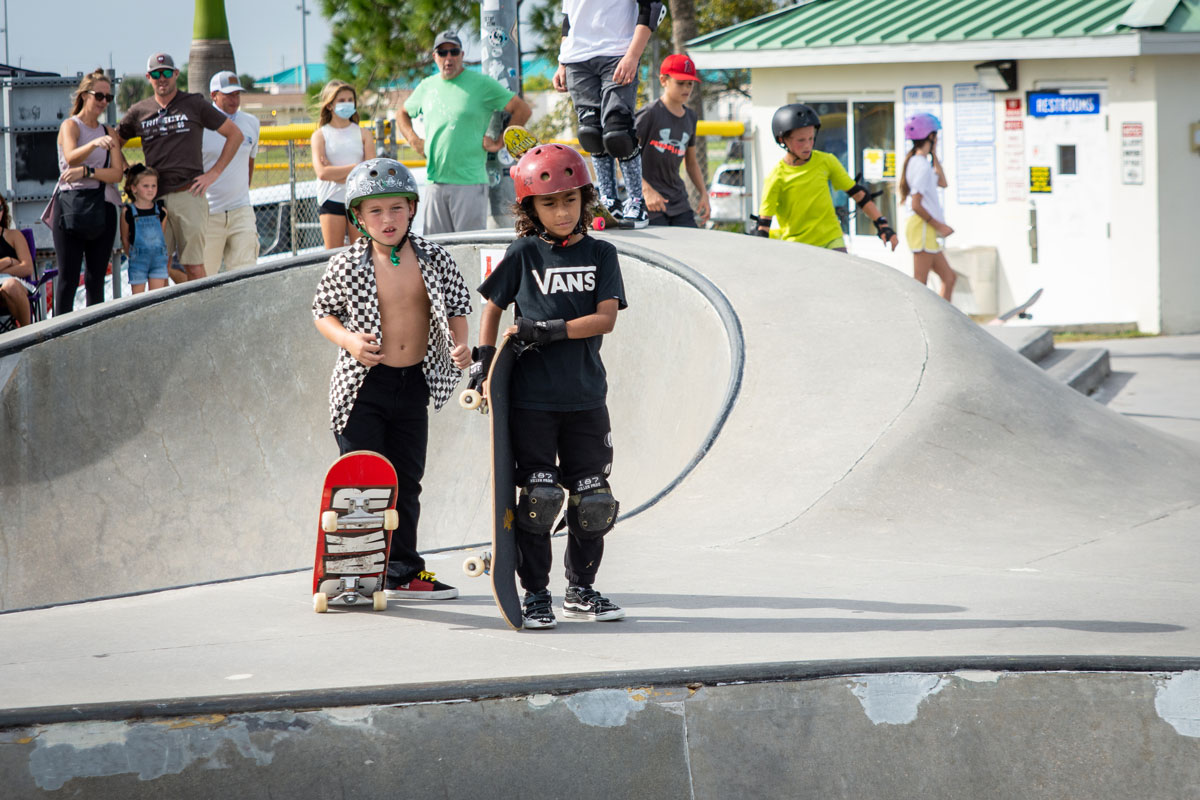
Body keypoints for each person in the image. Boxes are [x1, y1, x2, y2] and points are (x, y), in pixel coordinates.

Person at [474, 143, 627, 629]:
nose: (562, 212)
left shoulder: (602, 252)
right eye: (549, 203)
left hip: (585, 398)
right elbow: (493, 306)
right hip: (532, 401)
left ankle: (580, 590)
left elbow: (605, 320)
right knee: (539, 500)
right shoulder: (523, 253)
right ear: (531, 209)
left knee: (593, 500)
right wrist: (483, 360)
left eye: (570, 200)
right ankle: (536, 594)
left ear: (586, 199)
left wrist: (552, 329)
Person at [312, 158, 473, 599]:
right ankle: (352, 573)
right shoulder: (348, 263)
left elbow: (459, 306)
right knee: (361, 484)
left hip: (413, 386)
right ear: (358, 218)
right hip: (363, 388)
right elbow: (321, 313)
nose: (387, 220)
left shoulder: (433, 257)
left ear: (412, 209)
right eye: (375, 211)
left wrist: (459, 344)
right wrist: (348, 341)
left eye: (396, 209)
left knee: (406, 482)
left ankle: (402, 570)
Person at [117, 52, 244, 283]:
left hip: (189, 193)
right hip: (154, 199)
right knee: (158, 267)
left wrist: (213, 174)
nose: (162, 78)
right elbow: (114, 142)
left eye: (166, 72)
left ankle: (203, 316)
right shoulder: (139, 110)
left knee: (194, 266)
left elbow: (235, 135)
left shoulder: (194, 103)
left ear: (176, 74)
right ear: (149, 77)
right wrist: (129, 173)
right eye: (156, 74)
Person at [397, 31, 531, 235]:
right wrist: (414, 140)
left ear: (462, 55)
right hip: (435, 182)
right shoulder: (427, 86)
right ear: (435, 57)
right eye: (442, 52)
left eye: (453, 51)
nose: (448, 57)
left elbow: (522, 109)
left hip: (470, 183)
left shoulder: (481, 84)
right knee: (435, 251)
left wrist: (500, 141)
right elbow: (402, 114)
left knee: (468, 250)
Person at [553, 0, 663, 229]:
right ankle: (608, 199)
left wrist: (633, 56)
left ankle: (635, 201)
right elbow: (569, 19)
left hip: (618, 53)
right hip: (577, 58)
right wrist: (562, 62)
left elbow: (651, 8)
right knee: (590, 132)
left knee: (618, 132)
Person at [756, 103, 898, 252]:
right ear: (782, 140)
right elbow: (764, 222)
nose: (808, 145)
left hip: (831, 240)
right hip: (796, 245)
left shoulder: (826, 161)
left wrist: (882, 224)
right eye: (801, 140)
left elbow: (858, 194)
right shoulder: (776, 176)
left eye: (811, 138)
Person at [47, 69, 125, 315]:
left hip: (101, 205)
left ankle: (94, 335)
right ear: (84, 95)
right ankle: (59, 336)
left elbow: (117, 173)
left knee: (95, 279)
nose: (103, 102)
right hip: (71, 206)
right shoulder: (71, 126)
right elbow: (70, 157)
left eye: (108, 98)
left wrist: (88, 172)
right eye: (98, 96)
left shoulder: (108, 132)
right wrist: (92, 145)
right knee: (68, 278)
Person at [635, 53, 710, 228]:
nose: (686, 88)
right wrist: (645, 190)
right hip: (651, 200)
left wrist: (704, 194)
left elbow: (691, 163)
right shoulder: (649, 114)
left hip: (678, 199)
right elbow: (622, 156)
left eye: (690, 83)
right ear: (663, 80)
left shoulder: (691, 117)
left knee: (689, 247)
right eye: (680, 83)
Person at [202, 71, 260, 273]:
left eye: (237, 94)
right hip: (209, 212)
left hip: (241, 209)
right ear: (214, 95)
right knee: (205, 277)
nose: (234, 99)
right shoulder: (200, 126)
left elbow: (249, 164)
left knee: (245, 274)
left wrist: (241, 194)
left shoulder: (252, 122)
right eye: (228, 94)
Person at [311, 79, 374, 250]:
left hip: (358, 200)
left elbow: (370, 172)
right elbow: (322, 173)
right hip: (331, 199)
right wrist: (356, 167)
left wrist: (337, 174)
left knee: (361, 254)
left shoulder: (363, 134)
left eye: (349, 100)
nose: (347, 104)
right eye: (341, 100)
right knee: (334, 255)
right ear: (330, 105)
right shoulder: (320, 135)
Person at [900, 113, 956, 301]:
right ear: (931, 136)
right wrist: (940, 226)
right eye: (936, 135)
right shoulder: (920, 166)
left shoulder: (922, 162)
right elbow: (916, 204)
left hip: (926, 228)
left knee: (949, 278)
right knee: (920, 284)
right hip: (922, 226)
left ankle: (944, 321)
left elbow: (943, 182)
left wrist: (934, 156)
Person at [120, 165, 170, 294]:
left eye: (154, 186)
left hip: (158, 259)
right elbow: (125, 237)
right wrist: (131, 254)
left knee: (157, 297)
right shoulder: (128, 211)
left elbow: (161, 235)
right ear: (134, 188)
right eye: (146, 186)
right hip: (138, 260)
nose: (150, 190)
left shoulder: (161, 211)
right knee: (138, 300)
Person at [0, 194, 35, 327]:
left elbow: (27, 268)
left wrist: (4, 270)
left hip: (14, 285)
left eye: (0, 208)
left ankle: (28, 334)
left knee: (11, 285)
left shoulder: (14, 235)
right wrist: (8, 261)